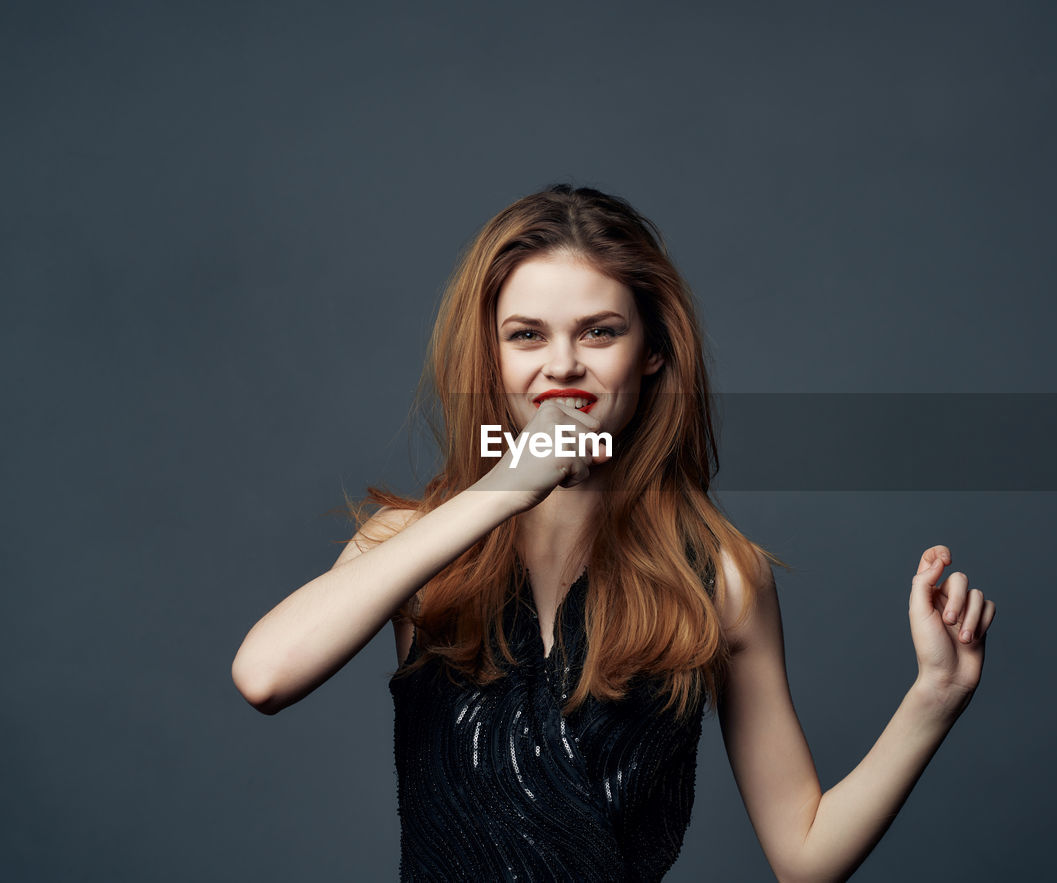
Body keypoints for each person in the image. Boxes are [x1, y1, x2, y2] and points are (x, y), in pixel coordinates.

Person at [231, 184, 996, 882]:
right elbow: (264, 675)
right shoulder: (415, 543)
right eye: (526, 335)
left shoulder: (720, 577)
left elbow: (804, 854)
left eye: (599, 332)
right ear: (490, 358)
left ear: (653, 351)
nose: (562, 366)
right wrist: (502, 489)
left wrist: (935, 696)